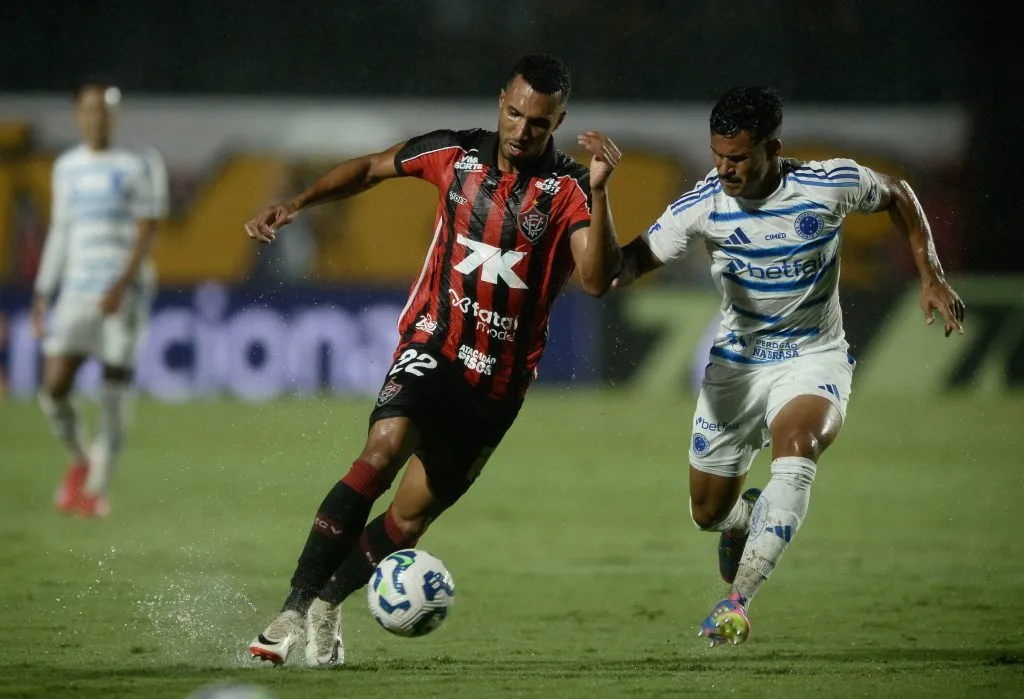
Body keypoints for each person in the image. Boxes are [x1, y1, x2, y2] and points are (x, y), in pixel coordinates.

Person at [244, 54, 623, 667]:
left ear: (558, 122)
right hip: (434, 346)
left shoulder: (570, 190)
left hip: (495, 388)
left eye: (538, 123)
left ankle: (327, 604)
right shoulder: (454, 154)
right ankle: (293, 605)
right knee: (380, 452)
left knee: (409, 521)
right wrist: (297, 204)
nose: (522, 131)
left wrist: (602, 192)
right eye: (514, 113)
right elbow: (369, 168)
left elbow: (598, 280)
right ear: (501, 100)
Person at [613, 86, 965, 647]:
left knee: (797, 454)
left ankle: (737, 601)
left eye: (739, 157)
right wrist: (592, 221)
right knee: (707, 514)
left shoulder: (828, 185)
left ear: (772, 148)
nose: (725, 168)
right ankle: (743, 520)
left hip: (813, 357)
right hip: (736, 368)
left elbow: (899, 194)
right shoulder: (702, 203)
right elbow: (625, 265)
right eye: (718, 155)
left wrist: (932, 274)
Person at [32, 81, 169, 518]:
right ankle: (80, 460)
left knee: (113, 388)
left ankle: (96, 489)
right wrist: (41, 292)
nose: (99, 117)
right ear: (78, 114)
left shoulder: (139, 161)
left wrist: (121, 284)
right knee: (53, 387)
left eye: (107, 110)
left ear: (116, 114)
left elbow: (148, 229)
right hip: (75, 290)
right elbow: (60, 232)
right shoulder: (66, 167)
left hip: (124, 292)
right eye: (91, 110)